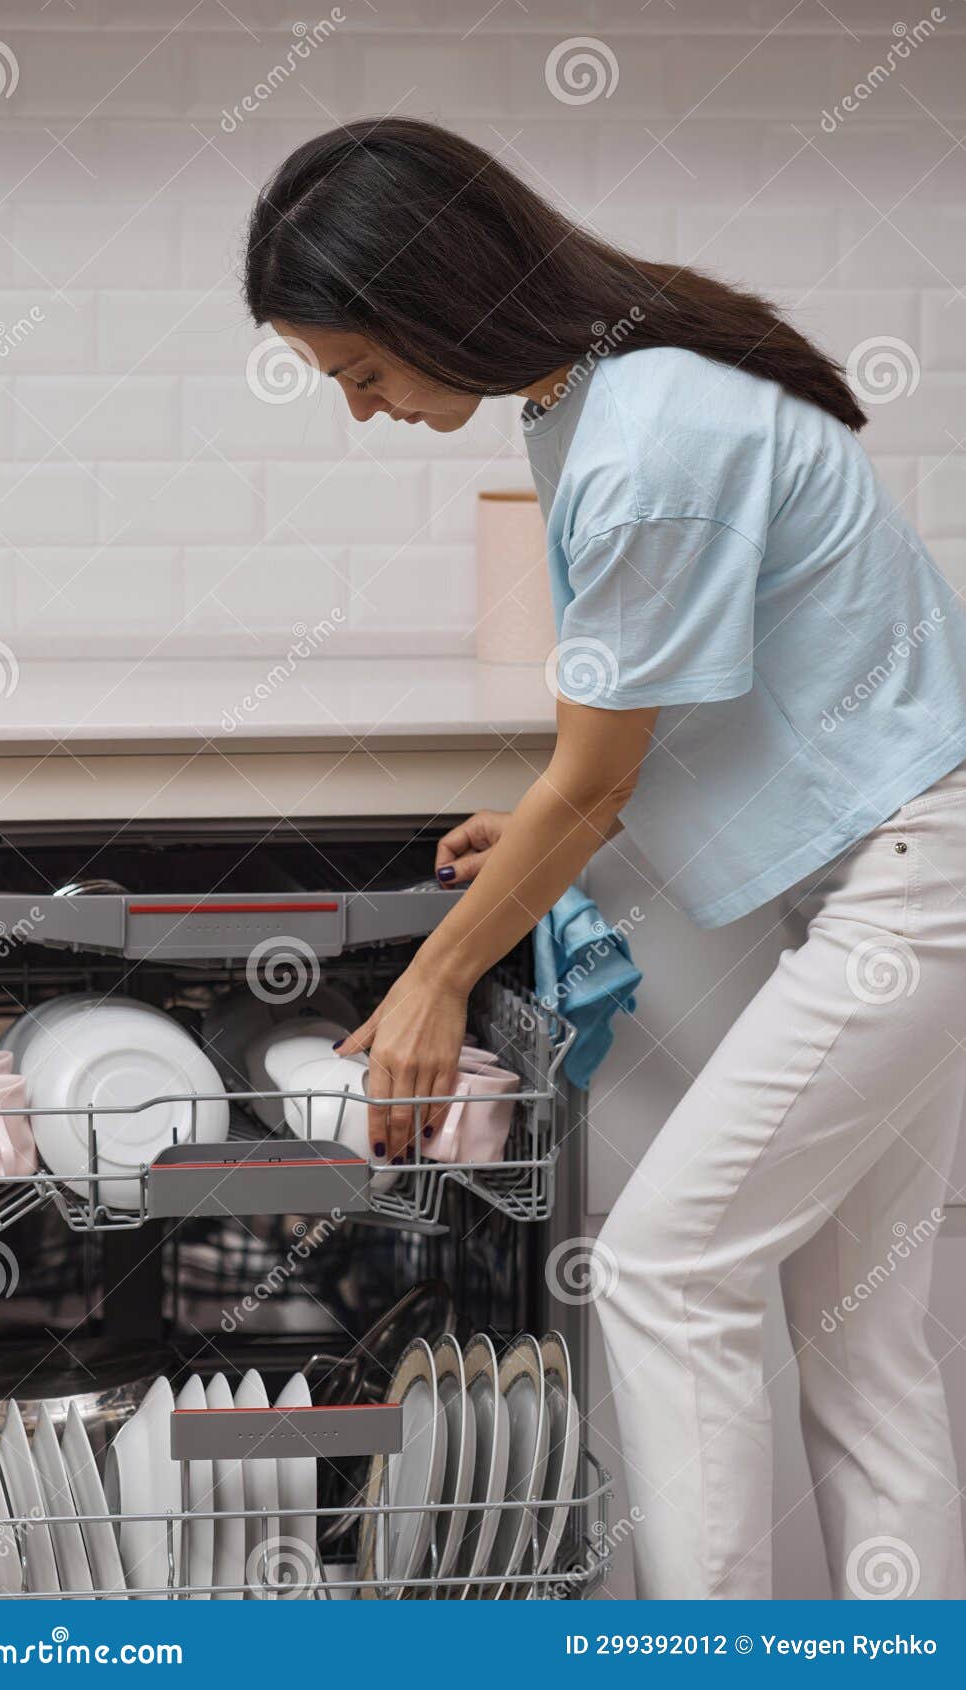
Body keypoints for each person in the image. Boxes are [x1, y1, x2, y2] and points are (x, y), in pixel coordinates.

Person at [243, 116, 966, 1600]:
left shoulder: (643, 438)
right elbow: (689, 703)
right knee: (865, 1344)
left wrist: (443, 976)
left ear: (438, 299)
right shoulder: (596, 398)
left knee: (660, 1270)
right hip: (897, 863)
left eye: (363, 371)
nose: (365, 411)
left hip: (914, 881)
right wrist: (559, 818)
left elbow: (600, 769)